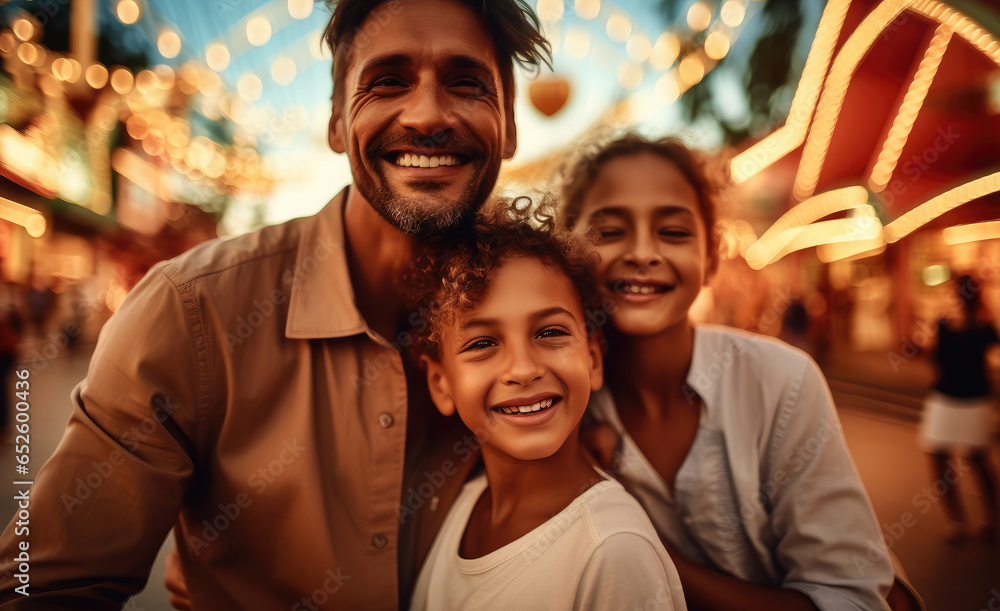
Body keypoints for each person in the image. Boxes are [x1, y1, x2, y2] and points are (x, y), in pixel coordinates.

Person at [0, 0, 550, 608]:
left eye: (467, 82)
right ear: (337, 122)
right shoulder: (192, 313)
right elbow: (42, 588)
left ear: (511, 125)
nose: (427, 115)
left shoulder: (557, 319)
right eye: (388, 81)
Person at [559, 134, 897, 611]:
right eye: (608, 231)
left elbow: (850, 599)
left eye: (673, 232)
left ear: (711, 255)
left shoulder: (780, 381)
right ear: (566, 250)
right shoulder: (552, 403)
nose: (641, 252)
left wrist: (649, 545)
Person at [406, 198, 686, 610]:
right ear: (441, 383)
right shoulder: (460, 504)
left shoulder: (612, 551)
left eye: (551, 332)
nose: (522, 369)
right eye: (483, 343)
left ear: (592, 360)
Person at [919, 274, 999, 543]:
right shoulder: (980, 326)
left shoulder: (949, 324)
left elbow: (934, 359)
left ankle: (961, 521)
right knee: (973, 458)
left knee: (951, 458)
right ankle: (984, 517)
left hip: (952, 398)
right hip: (968, 398)